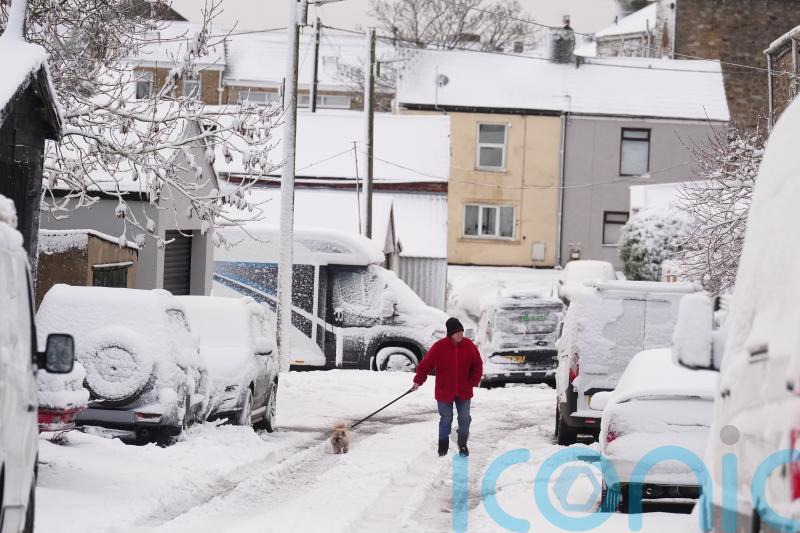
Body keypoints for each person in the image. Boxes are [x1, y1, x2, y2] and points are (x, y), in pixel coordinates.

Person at [412, 317, 483, 457]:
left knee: (464, 419)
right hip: (444, 390)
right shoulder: (439, 347)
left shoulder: (469, 345)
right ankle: (443, 445)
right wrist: (418, 381)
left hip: (464, 390)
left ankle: (462, 444)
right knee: (446, 419)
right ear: (450, 333)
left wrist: (473, 381)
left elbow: (477, 365)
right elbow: (426, 365)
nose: (461, 335)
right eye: (457, 333)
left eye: (462, 332)